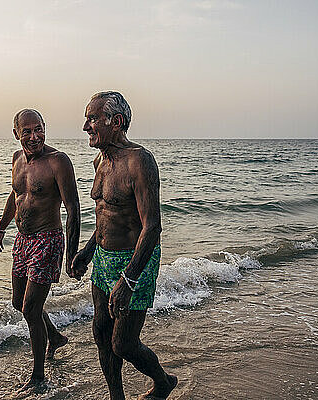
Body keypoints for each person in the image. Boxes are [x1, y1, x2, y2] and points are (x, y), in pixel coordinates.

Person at [69, 91, 177, 400]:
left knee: (124, 343)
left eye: (92, 119)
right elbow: (106, 215)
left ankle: (163, 381)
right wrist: (87, 252)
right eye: (86, 118)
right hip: (104, 259)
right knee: (101, 332)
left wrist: (128, 280)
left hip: (136, 262)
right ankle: (117, 397)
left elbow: (152, 226)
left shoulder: (139, 161)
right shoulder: (99, 160)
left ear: (116, 122)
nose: (86, 126)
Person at [0, 108, 80, 393]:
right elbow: (16, 196)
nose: (34, 136)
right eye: (27, 131)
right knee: (20, 303)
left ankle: (38, 376)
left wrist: (71, 255)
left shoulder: (58, 162)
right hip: (23, 239)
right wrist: (1, 227)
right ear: (16, 133)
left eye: (38, 129)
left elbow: (73, 209)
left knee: (31, 308)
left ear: (45, 127)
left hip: (48, 240)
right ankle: (54, 336)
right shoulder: (17, 160)